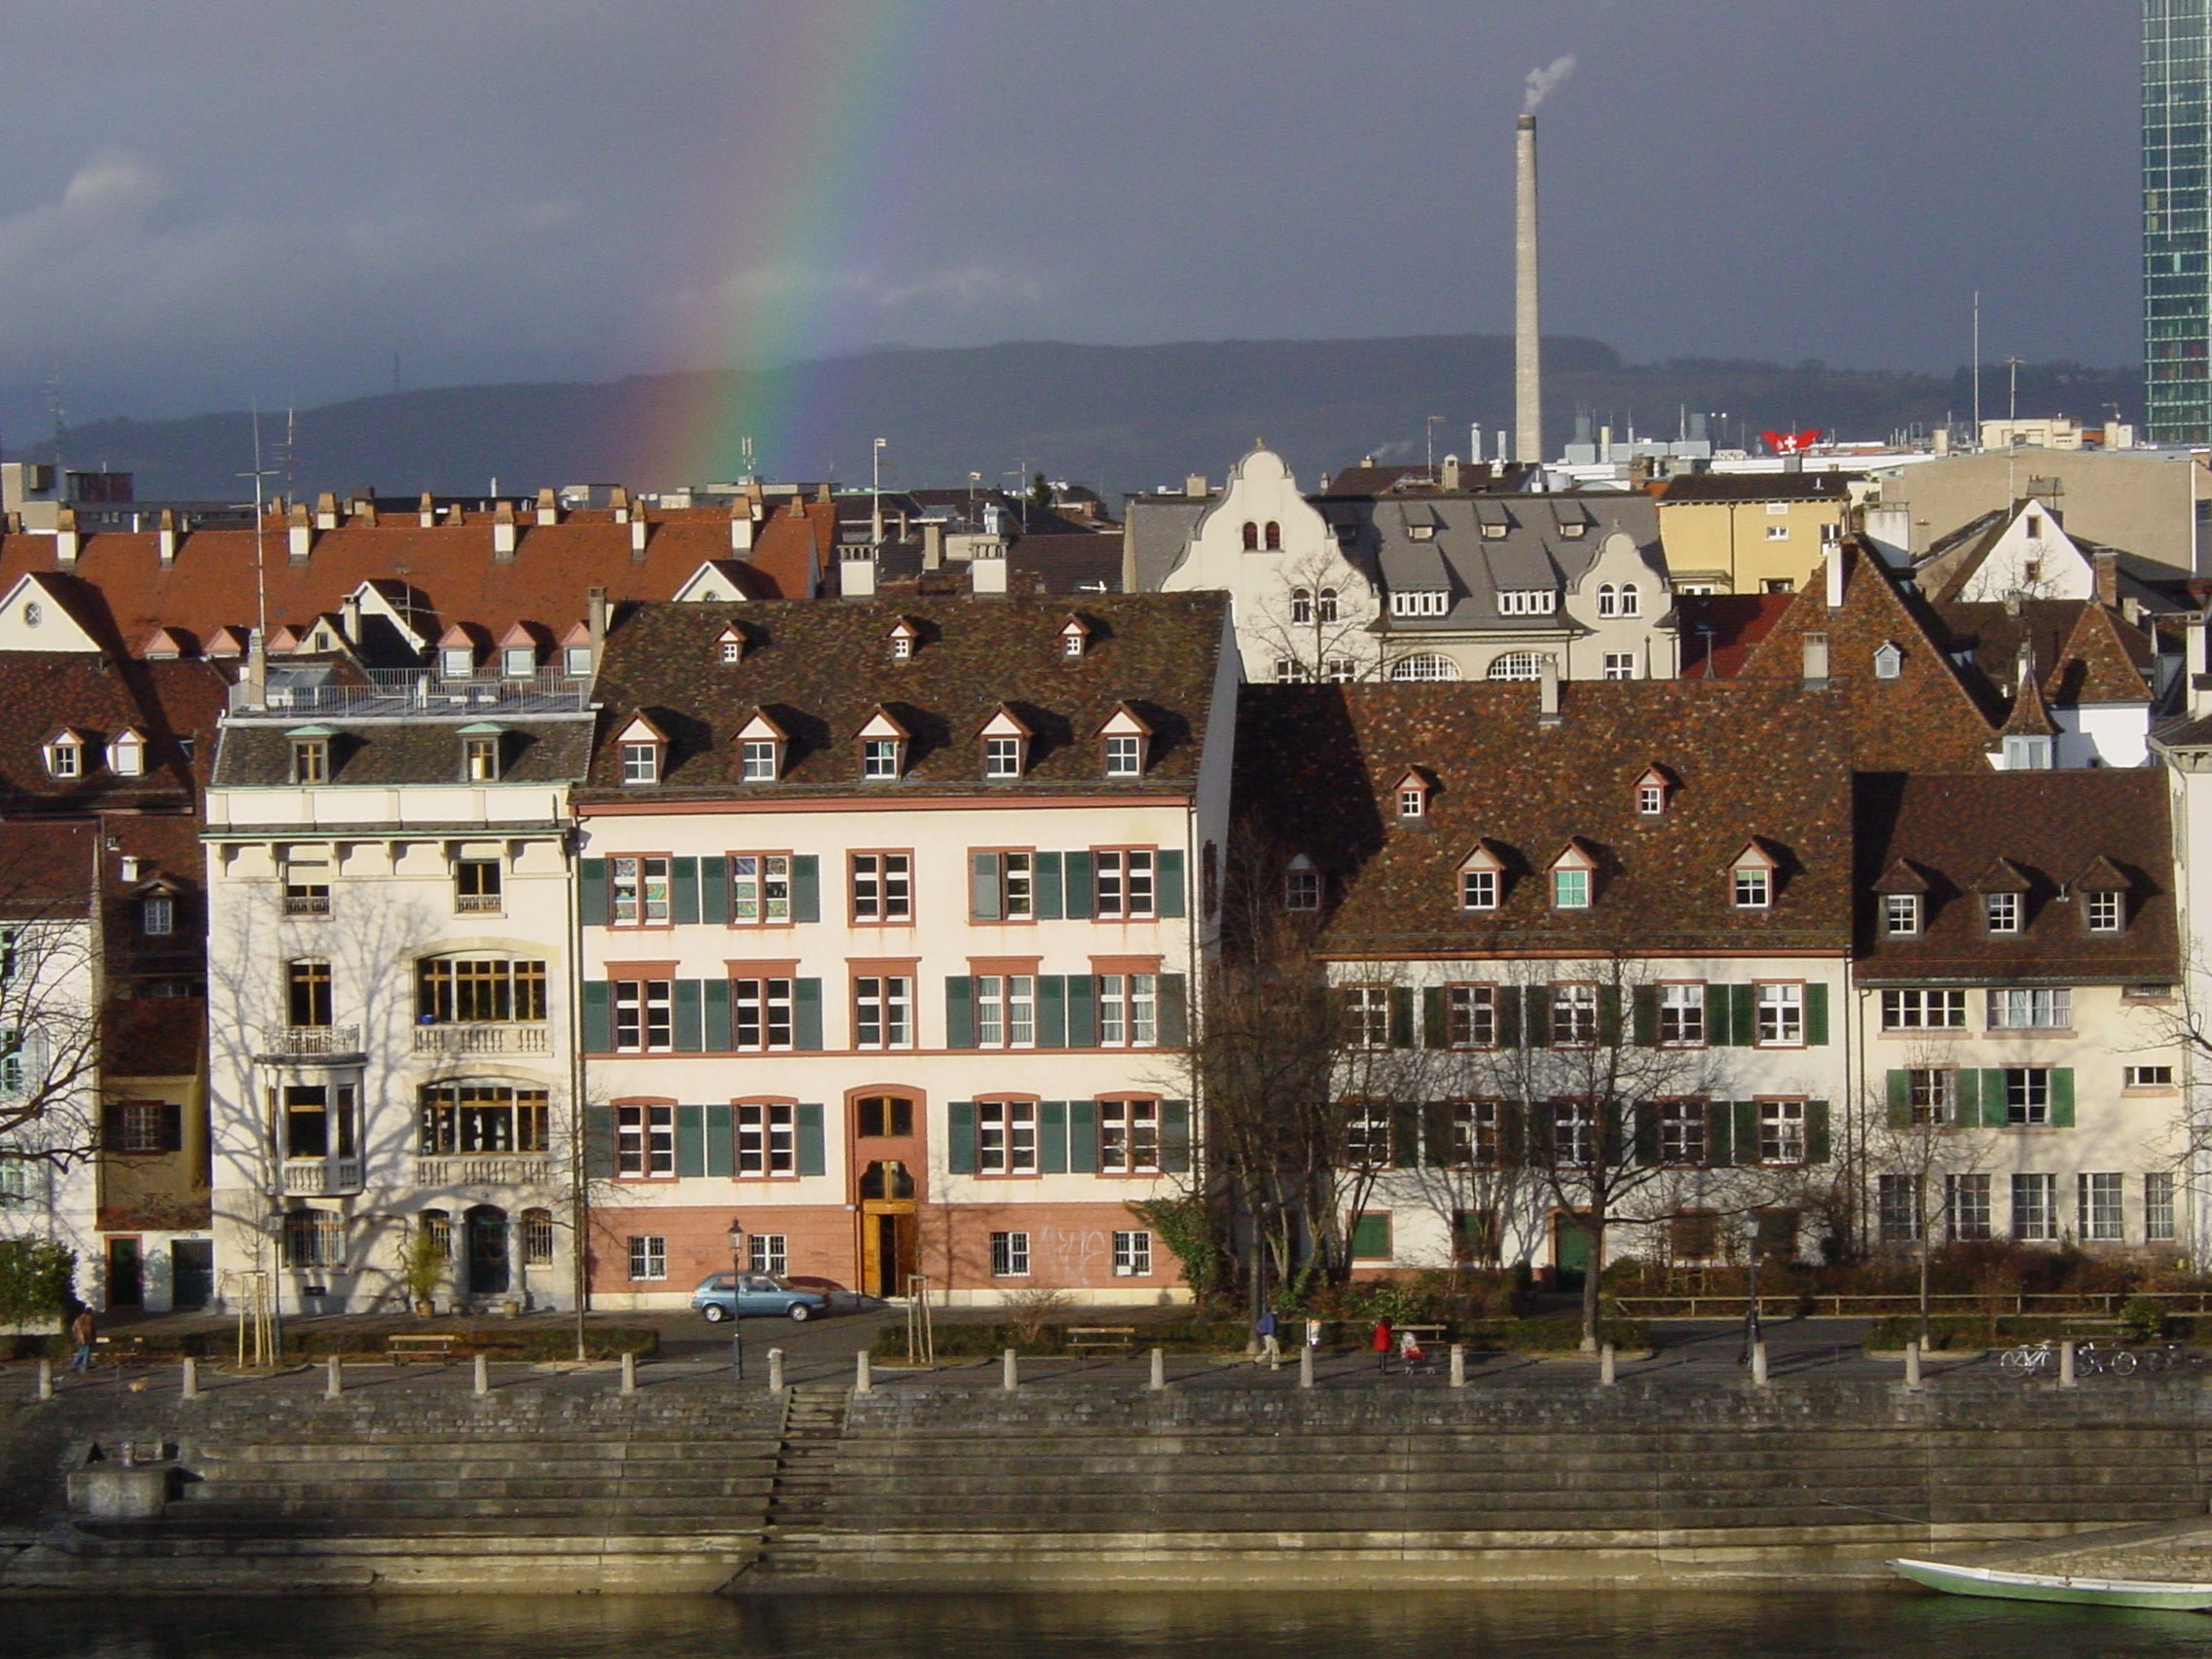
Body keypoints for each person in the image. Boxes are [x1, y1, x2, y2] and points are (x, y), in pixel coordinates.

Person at [67, 1308, 94, 1375]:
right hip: (86, 1338)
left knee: (81, 1352)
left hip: (79, 1338)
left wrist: (76, 1336)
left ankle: (74, 1365)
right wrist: (93, 1338)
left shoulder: (78, 1318)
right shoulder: (88, 1318)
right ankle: (83, 1367)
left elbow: (74, 1329)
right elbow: (91, 1329)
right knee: (86, 1353)